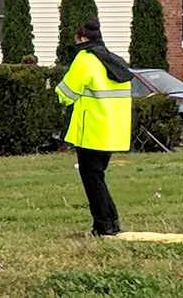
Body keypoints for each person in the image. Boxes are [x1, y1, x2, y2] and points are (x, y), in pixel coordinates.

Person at [55, 17, 132, 236]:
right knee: (97, 176)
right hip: (113, 130)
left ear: (81, 38)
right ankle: (111, 221)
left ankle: (103, 225)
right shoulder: (113, 60)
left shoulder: (84, 60)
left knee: (92, 179)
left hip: (91, 130)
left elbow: (65, 93)